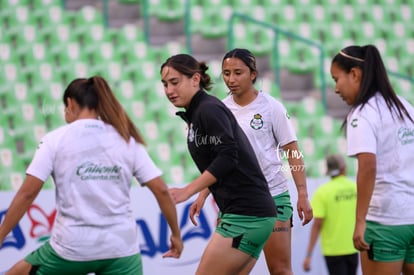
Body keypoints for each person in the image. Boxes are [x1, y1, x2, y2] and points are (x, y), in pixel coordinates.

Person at [0, 76, 183, 275]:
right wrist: (175, 234)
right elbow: (162, 191)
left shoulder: (54, 140)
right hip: (121, 250)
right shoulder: (126, 139)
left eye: (64, 107)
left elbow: (27, 194)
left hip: (70, 250)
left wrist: (1, 235)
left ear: (70, 103)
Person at [189, 48, 313, 275]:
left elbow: (293, 151)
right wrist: (203, 193)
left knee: (280, 270)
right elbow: (220, 159)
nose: (231, 79)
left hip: (274, 198)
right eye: (226, 73)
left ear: (253, 74)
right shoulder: (221, 109)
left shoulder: (271, 107)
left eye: (238, 72)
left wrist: (302, 193)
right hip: (237, 202)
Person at [160, 53, 278, 275]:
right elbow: (221, 158)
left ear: (195, 79)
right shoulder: (198, 112)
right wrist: (204, 193)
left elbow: (228, 156)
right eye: (165, 84)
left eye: (174, 82)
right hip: (248, 213)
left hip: (246, 215)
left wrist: (188, 190)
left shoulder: (208, 109)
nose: (169, 90)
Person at [330, 44, 414, 275]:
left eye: (337, 79)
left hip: (385, 222)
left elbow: (367, 168)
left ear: (355, 74)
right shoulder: (405, 106)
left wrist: (359, 221)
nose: (335, 88)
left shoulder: (362, 114)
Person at [302, 154, 358, 275]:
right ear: (344, 168)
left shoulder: (322, 192)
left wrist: (309, 255)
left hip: (333, 251)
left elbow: (317, 224)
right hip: (354, 247)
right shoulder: (355, 188)